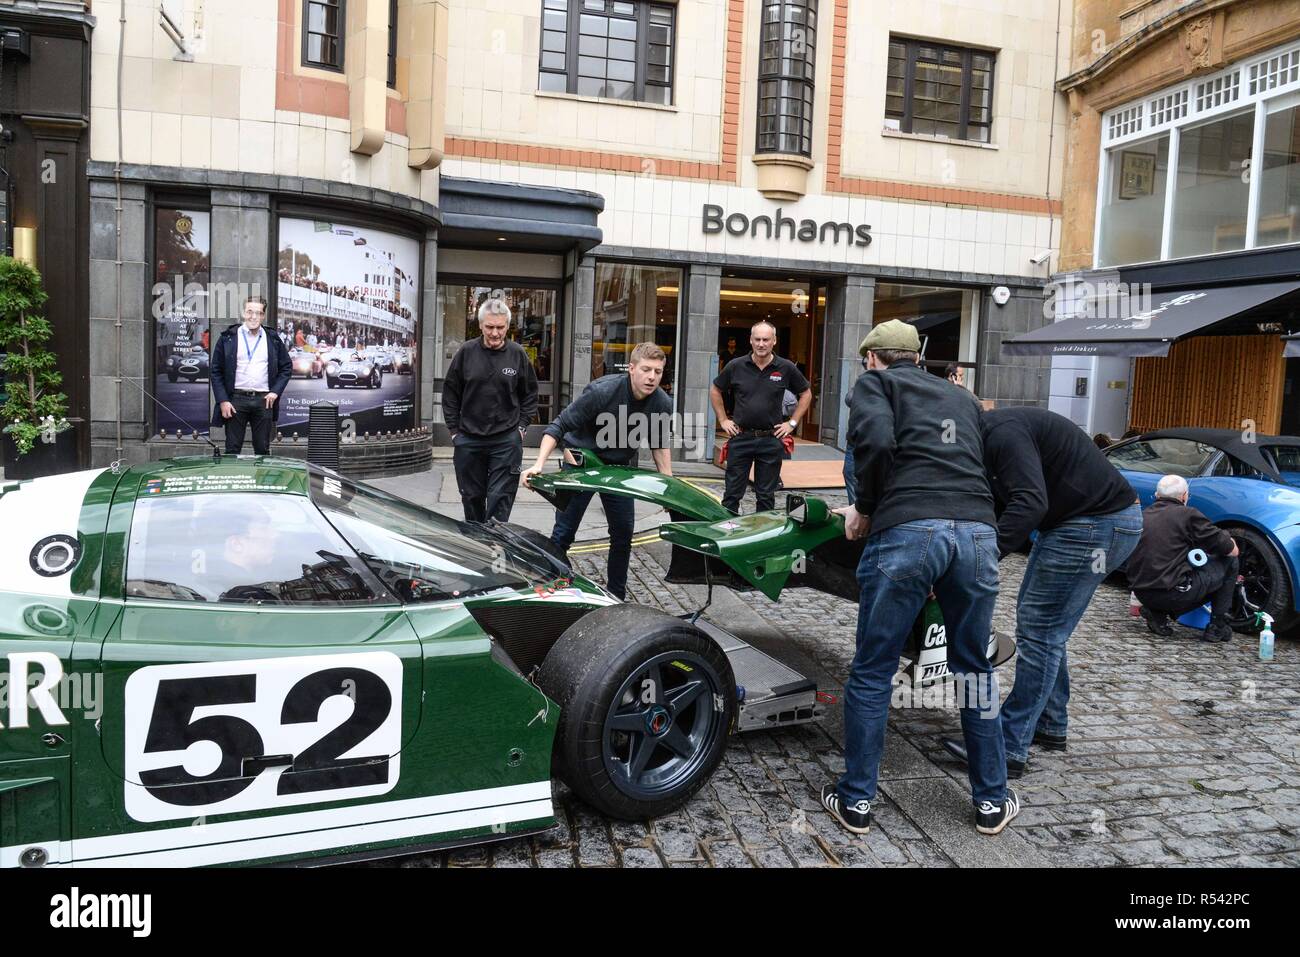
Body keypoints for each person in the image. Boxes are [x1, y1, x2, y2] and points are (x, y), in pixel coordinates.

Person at [821, 319, 1017, 837]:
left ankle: (857, 800)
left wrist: (866, 507)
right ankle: (992, 801)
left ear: (872, 358)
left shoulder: (875, 384)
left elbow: (877, 443)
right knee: (974, 668)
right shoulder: (962, 397)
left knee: (872, 668)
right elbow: (990, 464)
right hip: (976, 533)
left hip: (908, 529)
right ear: (917, 356)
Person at [941, 407, 1142, 779]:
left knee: (1040, 632)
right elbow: (995, 505)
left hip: (1093, 525)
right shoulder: (988, 440)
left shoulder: (1002, 432)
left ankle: (1007, 745)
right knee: (1045, 628)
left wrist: (985, 558)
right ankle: (1050, 724)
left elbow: (1030, 501)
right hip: (1086, 522)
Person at [521, 342, 674, 600]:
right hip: (582, 465)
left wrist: (668, 486)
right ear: (632, 369)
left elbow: (659, 444)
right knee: (563, 534)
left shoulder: (661, 402)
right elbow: (558, 426)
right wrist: (538, 465)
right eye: (646, 370)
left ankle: (616, 596)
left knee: (623, 534)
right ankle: (551, 590)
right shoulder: (602, 391)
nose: (652, 377)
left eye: (658, 372)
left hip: (619, 470)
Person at [443, 298, 539, 523]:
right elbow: (450, 394)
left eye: (500, 327)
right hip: (469, 439)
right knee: (472, 498)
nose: (495, 333)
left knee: (500, 499)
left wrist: (522, 427)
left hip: (506, 441)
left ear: (507, 326)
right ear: (480, 325)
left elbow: (530, 394)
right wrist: (455, 431)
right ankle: (476, 550)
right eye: (490, 327)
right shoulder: (466, 352)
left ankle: (497, 550)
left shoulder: (517, 354)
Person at [710, 321, 811, 514]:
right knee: (732, 495)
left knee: (766, 496)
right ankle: (728, 536)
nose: (761, 344)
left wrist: (792, 423)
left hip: (771, 439)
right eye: (757, 339)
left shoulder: (785, 367)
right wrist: (723, 420)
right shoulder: (736, 365)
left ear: (774, 341)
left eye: (766, 339)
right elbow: (715, 389)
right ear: (750, 340)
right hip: (741, 438)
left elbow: (806, 393)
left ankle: (762, 539)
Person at [1125, 474, 1240, 642]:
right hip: (1174, 594)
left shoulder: (1144, 515)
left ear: (1157, 495)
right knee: (1230, 563)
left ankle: (1156, 612)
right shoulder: (1188, 515)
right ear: (1185, 495)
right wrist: (1229, 539)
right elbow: (1231, 551)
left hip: (1141, 593)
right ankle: (1217, 626)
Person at [210, 296, 292, 455]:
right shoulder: (228, 337)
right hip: (236, 400)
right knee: (232, 448)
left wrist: (275, 392)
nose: (253, 317)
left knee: (262, 449)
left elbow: (286, 367)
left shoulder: (273, 338)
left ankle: (261, 480)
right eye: (250, 312)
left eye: (258, 313)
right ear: (243, 313)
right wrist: (223, 400)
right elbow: (216, 371)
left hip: (264, 401)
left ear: (263, 316)